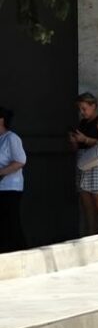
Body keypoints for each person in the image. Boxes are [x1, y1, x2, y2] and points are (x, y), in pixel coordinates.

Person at [69, 92, 98, 234]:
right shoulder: (82, 123)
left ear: (93, 106)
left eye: (84, 108)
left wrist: (86, 139)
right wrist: (74, 141)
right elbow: (76, 148)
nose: (82, 112)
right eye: (80, 109)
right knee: (87, 204)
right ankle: (91, 235)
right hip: (83, 162)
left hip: (97, 162)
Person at [0, 106, 28, 253]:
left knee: (11, 222)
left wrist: (1, 173)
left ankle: (21, 251)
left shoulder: (11, 138)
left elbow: (20, 160)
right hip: (1, 187)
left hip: (10, 187)